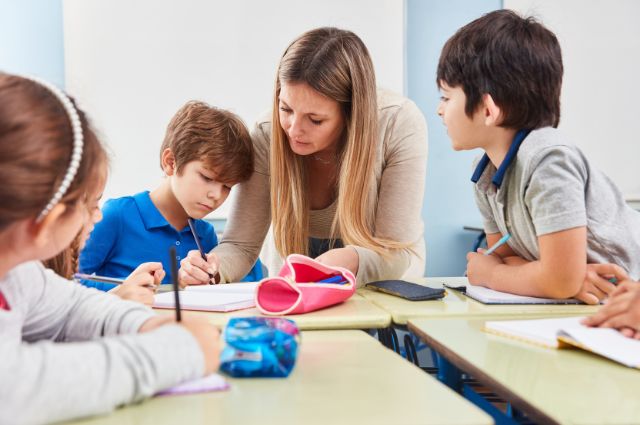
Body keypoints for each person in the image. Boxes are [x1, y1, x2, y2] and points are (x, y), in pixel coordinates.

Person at [0, 73, 220, 424]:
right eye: (88, 205)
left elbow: (72, 309)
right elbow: (15, 388)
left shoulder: (16, 274)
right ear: (48, 220)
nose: (97, 215)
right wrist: (179, 353)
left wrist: (149, 327)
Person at [179, 27, 428, 287]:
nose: (294, 131)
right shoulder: (267, 132)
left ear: (351, 114)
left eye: (315, 119)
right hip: (294, 276)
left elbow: (396, 253)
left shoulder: (398, 123)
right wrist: (210, 270)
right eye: (286, 109)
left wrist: (352, 259)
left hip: (383, 277)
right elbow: (241, 245)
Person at [436, 10, 640, 304]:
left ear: (488, 110)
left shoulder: (548, 160)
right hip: (599, 303)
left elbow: (545, 277)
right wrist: (559, 279)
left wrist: (491, 275)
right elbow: (509, 260)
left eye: (446, 97)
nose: (440, 110)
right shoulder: (484, 175)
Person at [79, 100, 263, 289]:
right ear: (170, 162)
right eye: (207, 178)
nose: (216, 195)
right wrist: (124, 292)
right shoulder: (117, 216)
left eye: (227, 187)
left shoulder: (205, 236)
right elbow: (68, 281)